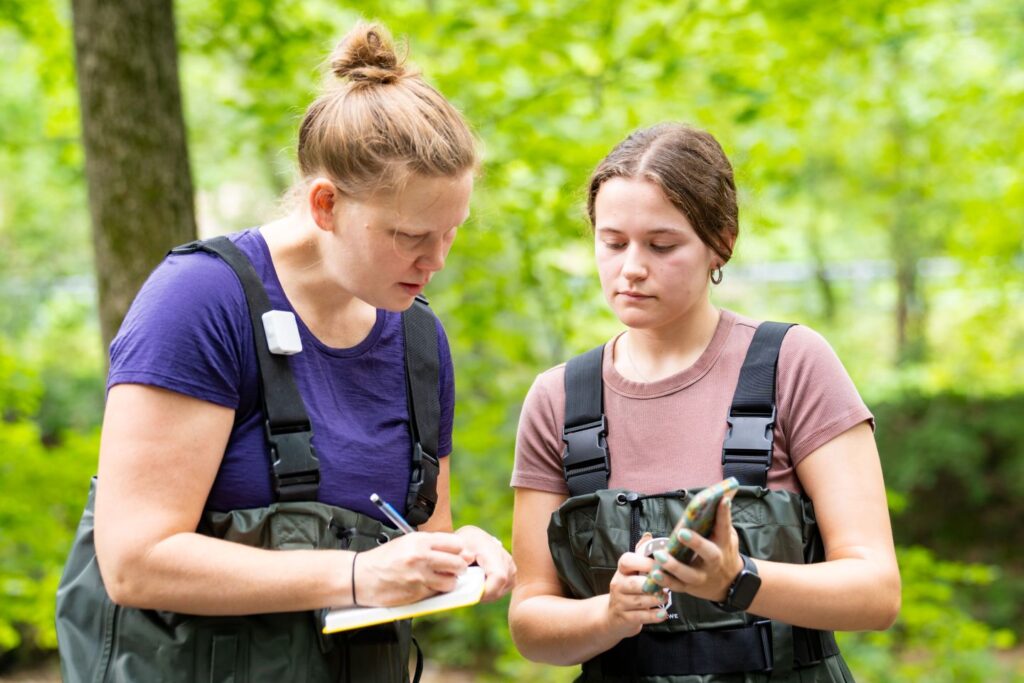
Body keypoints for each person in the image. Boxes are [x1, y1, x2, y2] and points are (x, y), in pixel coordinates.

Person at [56, 22, 514, 683]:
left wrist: (456, 554)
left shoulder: (418, 338)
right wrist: (354, 573)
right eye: (412, 235)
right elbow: (133, 561)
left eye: (451, 234)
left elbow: (417, 539)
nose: (436, 261)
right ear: (326, 205)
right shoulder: (200, 302)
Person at [508, 123, 900, 681]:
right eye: (613, 242)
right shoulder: (559, 400)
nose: (632, 267)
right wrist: (610, 614)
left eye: (662, 245)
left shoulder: (792, 363)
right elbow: (530, 620)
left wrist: (739, 579)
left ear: (723, 240)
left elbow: (876, 591)